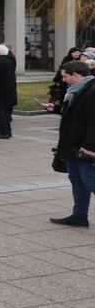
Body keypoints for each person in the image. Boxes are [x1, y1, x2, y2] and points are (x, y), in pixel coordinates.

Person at [45, 60, 95, 227]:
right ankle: (79, 215)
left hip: (84, 147)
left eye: (65, 76)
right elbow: (75, 113)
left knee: (90, 180)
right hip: (72, 145)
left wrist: (89, 147)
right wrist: (57, 108)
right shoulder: (77, 90)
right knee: (77, 179)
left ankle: (79, 214)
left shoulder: (91, 91)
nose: (63, 80)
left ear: (76, 75)